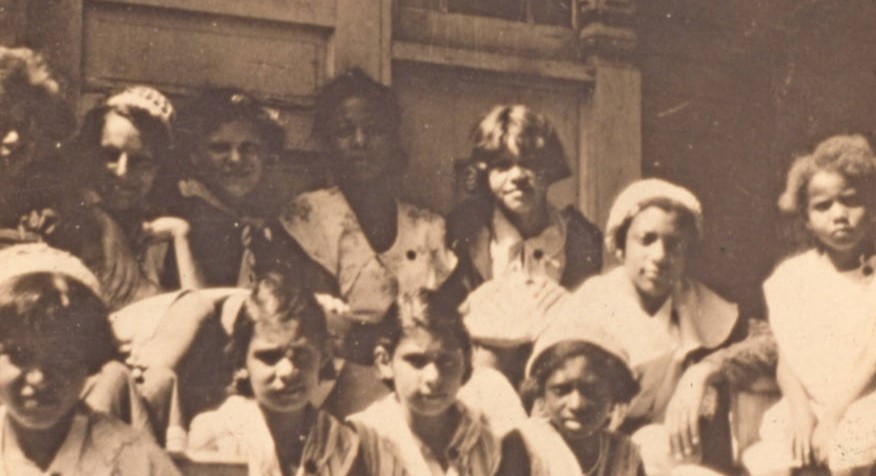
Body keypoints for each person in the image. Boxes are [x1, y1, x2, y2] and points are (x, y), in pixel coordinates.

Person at [260, 68, 456, 417]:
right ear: (327, 142)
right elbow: (326, 327)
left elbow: (445, 322)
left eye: (375, 130)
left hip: (420, 377)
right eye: (344, 131)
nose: (360, 141)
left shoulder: (427, 227)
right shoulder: (308, 216)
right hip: (340, 382)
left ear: (394, 140)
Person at [565, 178, 744, 475]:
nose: (660, 256)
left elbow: (766, 344)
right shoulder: (591, 303)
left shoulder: (693, 301)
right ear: (620, 246)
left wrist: (702, 372)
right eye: (646, 240)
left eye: (674, 244)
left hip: (667, 455)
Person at [742, 135, 876, 476]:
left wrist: (833, 418)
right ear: (805, 218)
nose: (839, 215)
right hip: (810, 402)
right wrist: (801, 411)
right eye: (823, 206)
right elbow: (788, 358)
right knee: (775, 455)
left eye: (851, 201)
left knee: (850, 451)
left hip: (864, 400)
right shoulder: (794, 278)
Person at [0, 244, 180, 475]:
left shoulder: (132, 460)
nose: (38, 378)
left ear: (90, 358)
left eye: (62, 357)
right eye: (20, 355)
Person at [187, 271, 364, 475]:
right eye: (269, 357)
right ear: (242, 360)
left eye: (301, 355)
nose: (287, 371)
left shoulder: (340, 443)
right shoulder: (217, 435)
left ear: (323, 356)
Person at [349, 289, 524, 475]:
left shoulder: (487, 445)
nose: (433, 377)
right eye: (417, 361)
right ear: (385, 362)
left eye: (447, 361)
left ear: (466, 361)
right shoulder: (363, 441)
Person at [66, 86, 203, 309]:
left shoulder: (162, 229)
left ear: (160, 169)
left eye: (141, 162)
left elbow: (199, 309)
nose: (122, 172)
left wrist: (180, 233)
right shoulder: (67, 216)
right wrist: (103, 221)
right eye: (110, 155)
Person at [447, 104, 602, 293]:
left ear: (550, 168)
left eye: (530, 163)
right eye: (503, 165)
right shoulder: (468, 238)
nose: (517, 176)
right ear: (486, 174)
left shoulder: (580, 240)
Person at [173, 88, 286, 287]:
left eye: (249, 148)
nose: (235, 159)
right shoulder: (188, 216)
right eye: (220, 148)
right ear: (195, 155)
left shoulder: (257, 219)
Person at [518, 311, 644, 475]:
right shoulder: (526, 447)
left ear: (615, 394)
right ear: (541, 393)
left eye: (591, 391)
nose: (576, 404)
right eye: (561, 390)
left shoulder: (624, 456)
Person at [0, 46, 74, 244]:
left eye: (22, 125)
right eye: (1, 126)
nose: (13, 138)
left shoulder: (37, 177)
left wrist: (42, 216)